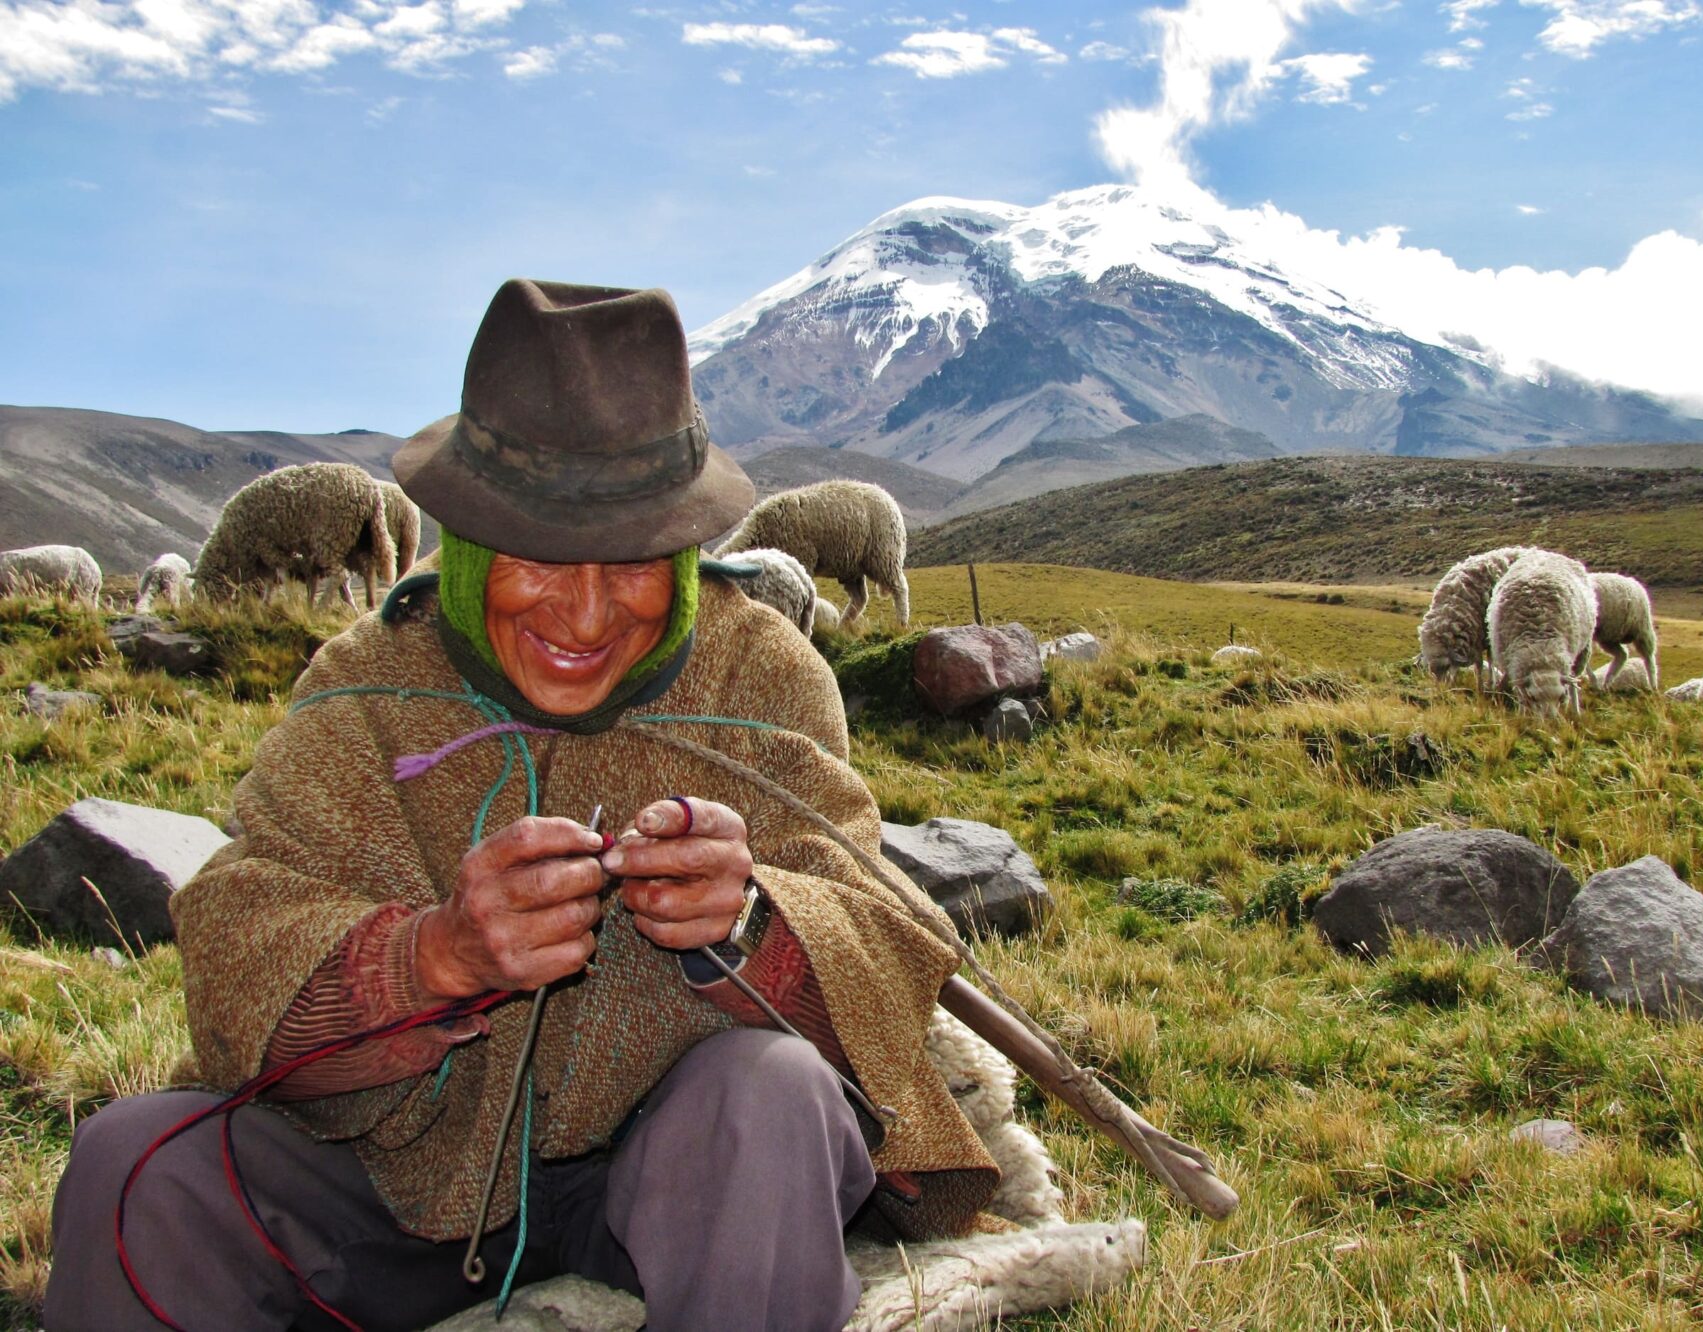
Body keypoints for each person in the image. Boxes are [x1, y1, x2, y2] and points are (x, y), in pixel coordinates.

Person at [43, 280, 1000, 1331]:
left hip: (679, 1190)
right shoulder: (365, 687)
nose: (586, 615)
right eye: (539, 553)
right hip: (393, 1190)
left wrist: (752, 919)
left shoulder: (760, 674)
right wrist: (435, 959)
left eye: (634, 558)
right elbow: (239, 935)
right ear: (466, 535)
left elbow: (887, 941)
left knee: (770, 1094)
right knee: (137, 1168)